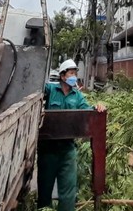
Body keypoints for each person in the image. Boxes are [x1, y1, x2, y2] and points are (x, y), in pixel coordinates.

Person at [37, 59, 106, 211]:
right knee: (44, 192)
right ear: (63, 76)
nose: (74, 76)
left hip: (67, 151)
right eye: (71, 73)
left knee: (68, 194)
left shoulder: (78, 96)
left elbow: (86, 111)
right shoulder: (50, 90)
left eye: (75, 73)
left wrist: (97, 107)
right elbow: (36, 89)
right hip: (47, 151)